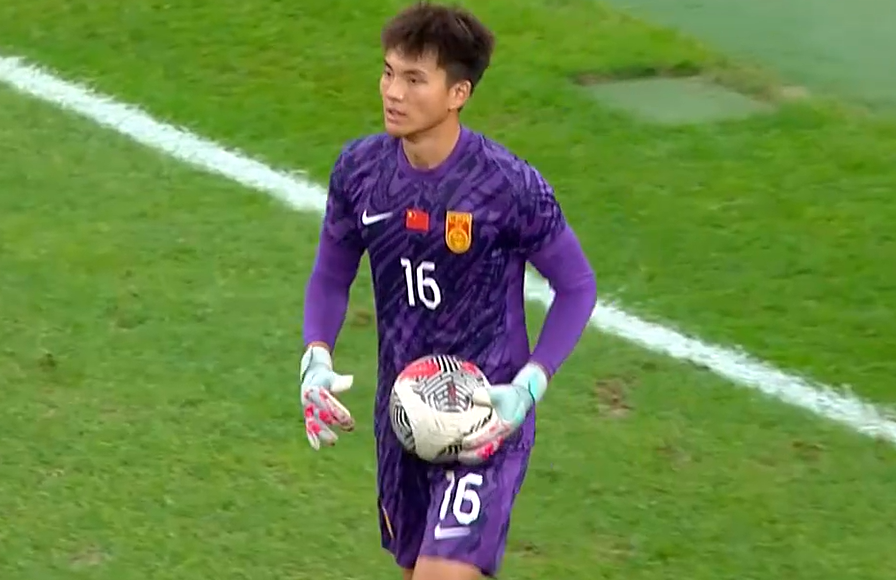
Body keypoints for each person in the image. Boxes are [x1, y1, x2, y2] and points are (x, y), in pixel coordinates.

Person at [299, 2, 598, 578]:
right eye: (389, 72)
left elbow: (577, 286)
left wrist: (528, 387)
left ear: (458, 93)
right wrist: (316, 357)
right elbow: (331, 274)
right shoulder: (360, 171)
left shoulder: (507, 186)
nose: (393, 92)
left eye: (415, 80)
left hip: (487, 417)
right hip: (404, 416)